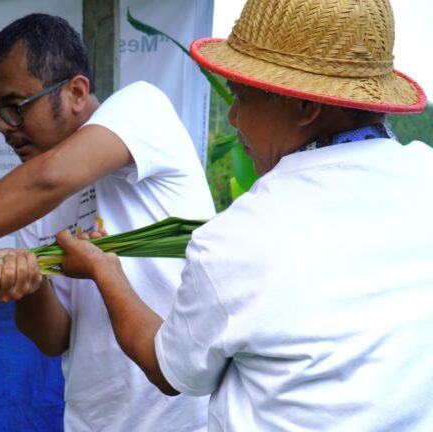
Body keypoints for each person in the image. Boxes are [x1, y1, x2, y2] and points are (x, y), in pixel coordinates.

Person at [47, 0, 433, 430]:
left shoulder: (239, 237)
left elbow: (167, 369)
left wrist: (105, 271)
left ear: (307, 107)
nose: (232, 118)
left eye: (242, 98)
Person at [0, 13, 216, 431]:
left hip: (187, 419)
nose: (3, 126)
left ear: (76, 91)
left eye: (15, 107)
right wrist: (28, 286)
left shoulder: (142, 109)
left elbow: (52, 176)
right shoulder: (36, 201)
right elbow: (54, 338)